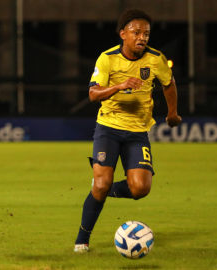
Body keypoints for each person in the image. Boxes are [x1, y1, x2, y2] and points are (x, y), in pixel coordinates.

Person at [73, 9, 182, 253]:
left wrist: (172, 113)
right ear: (123, 33)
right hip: (108, 128)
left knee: (140, 189)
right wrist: (120, 85)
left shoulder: (156, 58)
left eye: (146, 33)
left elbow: (169, 82)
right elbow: (92, 94)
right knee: (102, 185)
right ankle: (82, 241)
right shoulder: (107, 58)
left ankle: (101, 185)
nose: (142, 37)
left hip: (137, 132)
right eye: (136, 32)